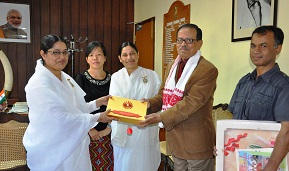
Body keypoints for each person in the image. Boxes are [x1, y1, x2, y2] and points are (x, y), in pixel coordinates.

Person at [23, 34, 116, 171]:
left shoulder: (65, 77)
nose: (62, 57)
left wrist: (96, 103)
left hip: (74, 145)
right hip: (53, 149)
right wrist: (98, 117)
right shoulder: (39, 84)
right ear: (43, 54)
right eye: (55, 52)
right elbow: (59, 118)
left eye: (65, 52)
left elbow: (76, 107)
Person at [139, 23, 218, 171]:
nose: (183, 44)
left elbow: (191, 103)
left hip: (196, 143)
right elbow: (163, 95)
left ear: (199, 43)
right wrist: (149, 104)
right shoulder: (172, 66)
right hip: (176, 142)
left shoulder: (207, 70)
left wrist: (160, 117)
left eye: (189, 40)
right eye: (180, 40)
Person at [228, 25, 289, 171]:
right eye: (253, 46)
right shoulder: (244, 82)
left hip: (267, 164)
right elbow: (232, 119)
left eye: (263, 46)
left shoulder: (283, 86)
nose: (256, 51)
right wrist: (224, 144)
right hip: (239, 161)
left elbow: (287, 131)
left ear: (278, 48)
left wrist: (271, 167)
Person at [109, 42, 161, 171]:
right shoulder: (116, 77)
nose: (129, 58)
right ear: (120, 58)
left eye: (132, 53)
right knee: (124, 164)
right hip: (123, 128)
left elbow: (159, 100)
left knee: (145, 163)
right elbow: (115, 104)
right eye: (125, 55)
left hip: (146, 128)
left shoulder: (152, 75)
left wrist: (147, 103)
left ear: (138, 55)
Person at [74, 41, 113, 171]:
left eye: (99, 54)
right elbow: (76, 108)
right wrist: (90, 129)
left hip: (109, 133)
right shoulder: (80, 79)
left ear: (105, 58)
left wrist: (109, 129)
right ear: (86, 59)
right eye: (91, 55)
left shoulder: (114, 79)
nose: (95, 58)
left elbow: (117, 106)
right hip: (86, 133)